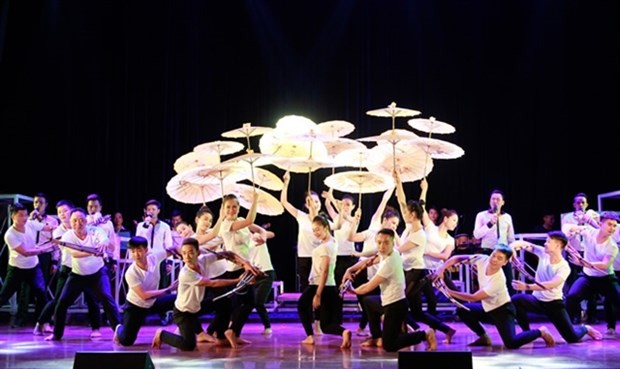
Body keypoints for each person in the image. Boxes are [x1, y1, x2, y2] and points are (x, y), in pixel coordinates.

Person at [435, 245, 555, 349]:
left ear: (505, 263)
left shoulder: (498, 280)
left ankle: (540, 331)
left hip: (503, 311)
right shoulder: (482, 259)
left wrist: (449, 291)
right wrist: (441, 268)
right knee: (463, 310)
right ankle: (483, 337)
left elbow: (474, 297)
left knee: (511, 343)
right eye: (493, 255)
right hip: (487, 308)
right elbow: (457, 258)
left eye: (499, 258)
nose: (494, 260)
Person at [151, 237, 256, 351]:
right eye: (184, 253)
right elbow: (212, 283)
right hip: (183, 313)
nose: (187, 257)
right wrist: (237, 280)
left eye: (191, 253)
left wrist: (245, 263)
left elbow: (227, 254)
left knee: (224, 303)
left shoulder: (203, 260)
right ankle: (161, 334)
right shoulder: (186, 273)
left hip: (197, 307)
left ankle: (220, 336)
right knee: (189, 345)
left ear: (198, 253)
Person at [345, 228, 437, 352]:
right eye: (379, 242)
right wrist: (349, 270)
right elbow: (368, 261)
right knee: (369, 302)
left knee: (389, 345)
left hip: (395, 305)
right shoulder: (389, 253)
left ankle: (424, 335)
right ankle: (377, 336)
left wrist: (352, 291)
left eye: (386, 242)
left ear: (393, 243)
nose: (382, 246)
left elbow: (369, 286)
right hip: (387, 301)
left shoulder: (389, 262)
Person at [509, 232, 602, 343]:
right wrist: (512, 249)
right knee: (516, 300)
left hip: (554, 304)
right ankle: (528, 332)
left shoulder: (564, 267)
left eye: (548, 241)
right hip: (537, 300)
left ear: (558, 245)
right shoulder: (543, 253)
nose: (545, 244)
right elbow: (521, 243)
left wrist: (527, 287)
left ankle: (585, 328)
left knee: (572, 338)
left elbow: (551, 285)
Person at [45, 207, 121, 341]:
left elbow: (105, 241)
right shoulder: (68, 235)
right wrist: (94, 251)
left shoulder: (96, 231)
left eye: (81, 220)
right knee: (61, 303)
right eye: (74, 221)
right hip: (77, 275)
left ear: (86, 221)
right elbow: (75, 253)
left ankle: (119, 332)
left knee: (107, 299)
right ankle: (56, 334)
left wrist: (104, 243)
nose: (77, 224)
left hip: (98, 274)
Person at [34, 200, 102, 338]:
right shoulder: (59, 231)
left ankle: (96, 328)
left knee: (92, 298)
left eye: (65, 211)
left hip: (85, 268)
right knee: (59, 300)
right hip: (68, 269)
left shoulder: (83, 223)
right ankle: (41, 322)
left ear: (72, 212)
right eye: (59, 212)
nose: (62, 215)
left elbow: (93, 228)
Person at [217, 192, 268, 347]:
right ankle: (230, 331)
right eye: (228, 207)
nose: (231, 210)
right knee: (247, 303)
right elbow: (250, 220)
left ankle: (232, 333)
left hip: (246, 268)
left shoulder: (240, 221)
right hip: (235, 270)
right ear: (223, 209)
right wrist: (255, 200)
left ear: (239, 207)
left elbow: (260, 229)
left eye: (234, 206)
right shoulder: (225, 225)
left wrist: (263, 238)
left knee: (246, 303)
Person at [347, 187, 397, 337]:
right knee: (366, 302)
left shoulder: (391, 239)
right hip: (363, 271)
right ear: (384, 220)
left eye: (396, 224)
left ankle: (369, 330)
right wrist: (354, 222)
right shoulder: (373, 229)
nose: (394, 226)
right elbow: (351, 237)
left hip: (377, 275)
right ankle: (366, 329)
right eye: (392, 223)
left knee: (372, 303)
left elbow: (377, 253)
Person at [297, 214, 351, 348]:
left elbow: (325, 270)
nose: (316, 233)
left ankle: (310, 336)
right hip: (328, 285)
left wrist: (318, 294)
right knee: (326, 325)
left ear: (326, 228)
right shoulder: (332, 242)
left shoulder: (326, 246)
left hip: (319, 284)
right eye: (314, 230)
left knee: (302, 305)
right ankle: (344, 332)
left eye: (318, 229)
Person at [113, 236, 178, 346]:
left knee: (179, 300)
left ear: (146, 250)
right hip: (136, 306)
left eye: (139, 250)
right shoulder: (131, 273)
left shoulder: (154, 258)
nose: (136, 254)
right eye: (133, 251)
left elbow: (173, 249)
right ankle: (119, 328)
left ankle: (182, 329)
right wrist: (169, 289)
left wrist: (183, 252)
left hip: (154, 302)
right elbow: (143, 295)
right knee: (126, 341)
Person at [564, 211, 620, 335]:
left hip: (606, 278)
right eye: (609, 224)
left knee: (616, 299)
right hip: (588, 277)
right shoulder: (588, 231)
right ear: (600, 224)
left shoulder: (612, 246)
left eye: (615, 225)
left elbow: (605, 265)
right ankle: (565, 326)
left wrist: (582, 262)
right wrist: (571, 231)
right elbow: (567, 228)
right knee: (572, 296)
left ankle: (611, 326)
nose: (612, 228)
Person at [0, 203, 54, 329]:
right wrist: (45, 249)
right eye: (20, 215)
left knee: (41, 293)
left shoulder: (30, 223)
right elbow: (25, 252)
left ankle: (43, 322)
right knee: (4, 296)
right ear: (13, 216)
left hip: (33, 267)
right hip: (16, 269)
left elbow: (46, 228)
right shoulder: (10, 234)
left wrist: (55, 225)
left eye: (25, 214)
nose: (24, 218)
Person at [15, 193, 59, 327]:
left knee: (42, 287)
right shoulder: (26, 220)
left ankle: (41, 318)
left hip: (44, 254)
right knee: (25, 287)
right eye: (35, 202)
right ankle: (20, 318)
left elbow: (55, 242)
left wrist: (54, 261)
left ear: (46, 205)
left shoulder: (51, 221)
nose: (37, 205)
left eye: (40, 202)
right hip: (28, 253)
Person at [418, 178, 460, 320]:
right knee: (431, 301)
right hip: (423, 269)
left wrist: (427, 252)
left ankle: (472, 317)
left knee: (455, 293)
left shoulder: (450, 240)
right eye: (454, 220)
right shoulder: (430, 228)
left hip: (438, 270)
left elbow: (445, 256)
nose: (455, 224)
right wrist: (424, 189)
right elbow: (421, 208)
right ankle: (432, 328)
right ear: (446, 219)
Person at [560, 192, 601, 323]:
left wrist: (588, 220)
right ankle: (576, 314)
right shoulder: (567, 218)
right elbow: (564, 237)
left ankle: (592, 314)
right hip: (573, 252)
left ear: (587, 204)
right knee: (573, 283)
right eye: (578, 202)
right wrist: (576, 229)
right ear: (574, 205)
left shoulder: (593, 216)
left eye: (583, 202)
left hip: (589, 253)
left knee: (591, 282)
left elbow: (599, 231)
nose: (580, 205)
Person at [135, 199, 174, 325]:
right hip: (145, 259)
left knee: (162, 286)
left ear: (158, 211)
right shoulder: (141, 226)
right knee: (146, 286)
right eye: (149, 209)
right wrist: (147, 226)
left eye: (153, 209)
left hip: (160, 259)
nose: (151, 211)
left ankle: (163, 315)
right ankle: (143, 313)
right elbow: (138, 241)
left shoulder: (165, 227)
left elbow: (169, 245)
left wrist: (169, 262)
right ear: (145, 211)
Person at [473, 189, 516, 295]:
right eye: (493, 199)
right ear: (489, 201)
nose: (495, 201)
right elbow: (477, 235)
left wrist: (512, 251)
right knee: (487, 282)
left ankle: (511, 307)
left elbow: (511, 238)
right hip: (487, 252)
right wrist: (489, 224)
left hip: (503, 253)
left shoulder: (507, 217)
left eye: (498, 199)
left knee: (508, 282)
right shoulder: (481, 215)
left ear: (503, 202)